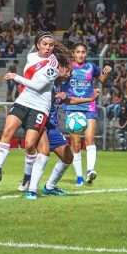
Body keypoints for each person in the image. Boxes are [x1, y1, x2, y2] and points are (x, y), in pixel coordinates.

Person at [0, 32, 59, 187]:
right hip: (23, 101)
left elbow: (38, 86)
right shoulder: (31, 56)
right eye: (45, 44)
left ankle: (27, 177)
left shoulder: (53, 65)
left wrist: (16, 77)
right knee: (7, 131)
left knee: (29, 145)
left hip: (39, 107)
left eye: (51, 45)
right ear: (38, 45)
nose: (48, 48)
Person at [25, 59, 98, 199]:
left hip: (51, 125)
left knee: (68, 156)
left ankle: (50, 187)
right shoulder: (48, 81)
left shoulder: (60, 85)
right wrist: (54, 96)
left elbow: (69, 100)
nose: (69, 74)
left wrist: (90, 99)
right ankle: (31, 190)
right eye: (67, 70)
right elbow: (35, 94)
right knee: (44, 153)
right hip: (40, 121)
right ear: (59, 68)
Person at [62, 42, 112, 186]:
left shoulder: (92, 67)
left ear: (86, 53)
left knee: (90, 140)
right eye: (77, 52)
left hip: (89, 106)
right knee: (76, 144)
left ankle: (90, 171)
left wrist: (106, 73)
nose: (80, 54)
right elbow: (60, 80)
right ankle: (79, 177)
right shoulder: (68, 67)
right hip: (72, 107)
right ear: (73, 53)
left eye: (83, 52)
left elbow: (102, 80)